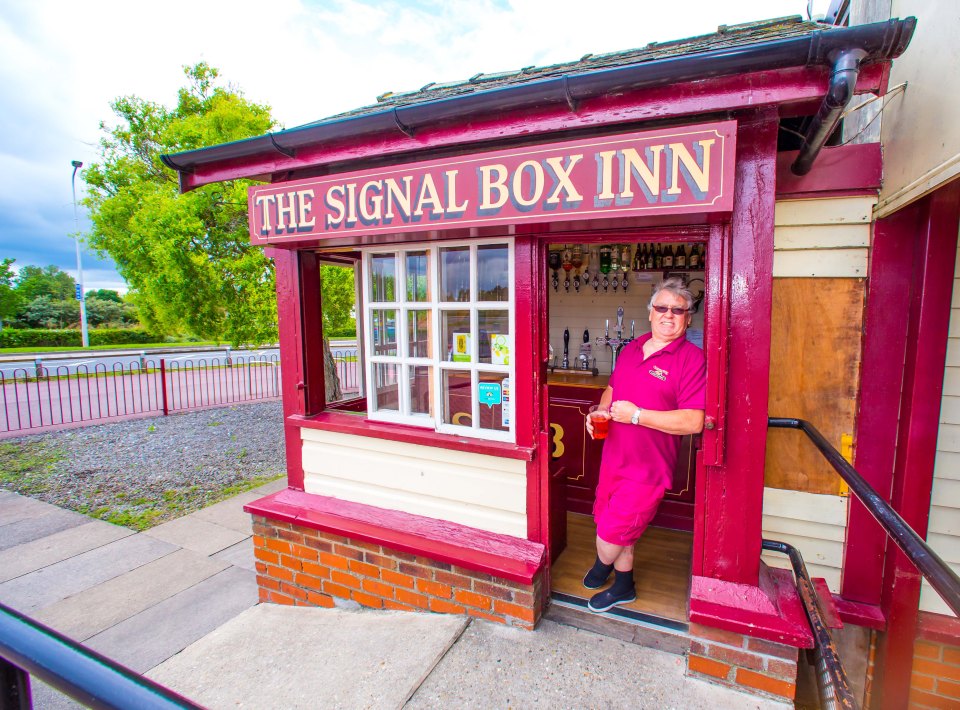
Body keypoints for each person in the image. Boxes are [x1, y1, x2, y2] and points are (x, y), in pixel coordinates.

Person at [583, 276, 706, 612]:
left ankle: (602, 566)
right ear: (650, 312)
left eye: (678, 310)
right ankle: (624, 586)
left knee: (613, 533)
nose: (669, 315)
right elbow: (612, 389)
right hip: (614, 458)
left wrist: (638, 415)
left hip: (647, 469)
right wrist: (599, 411)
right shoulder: (631, 348)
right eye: (662, 308)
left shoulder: (691, 359)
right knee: (609, 522)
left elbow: (693, 421)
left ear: (688, 318)